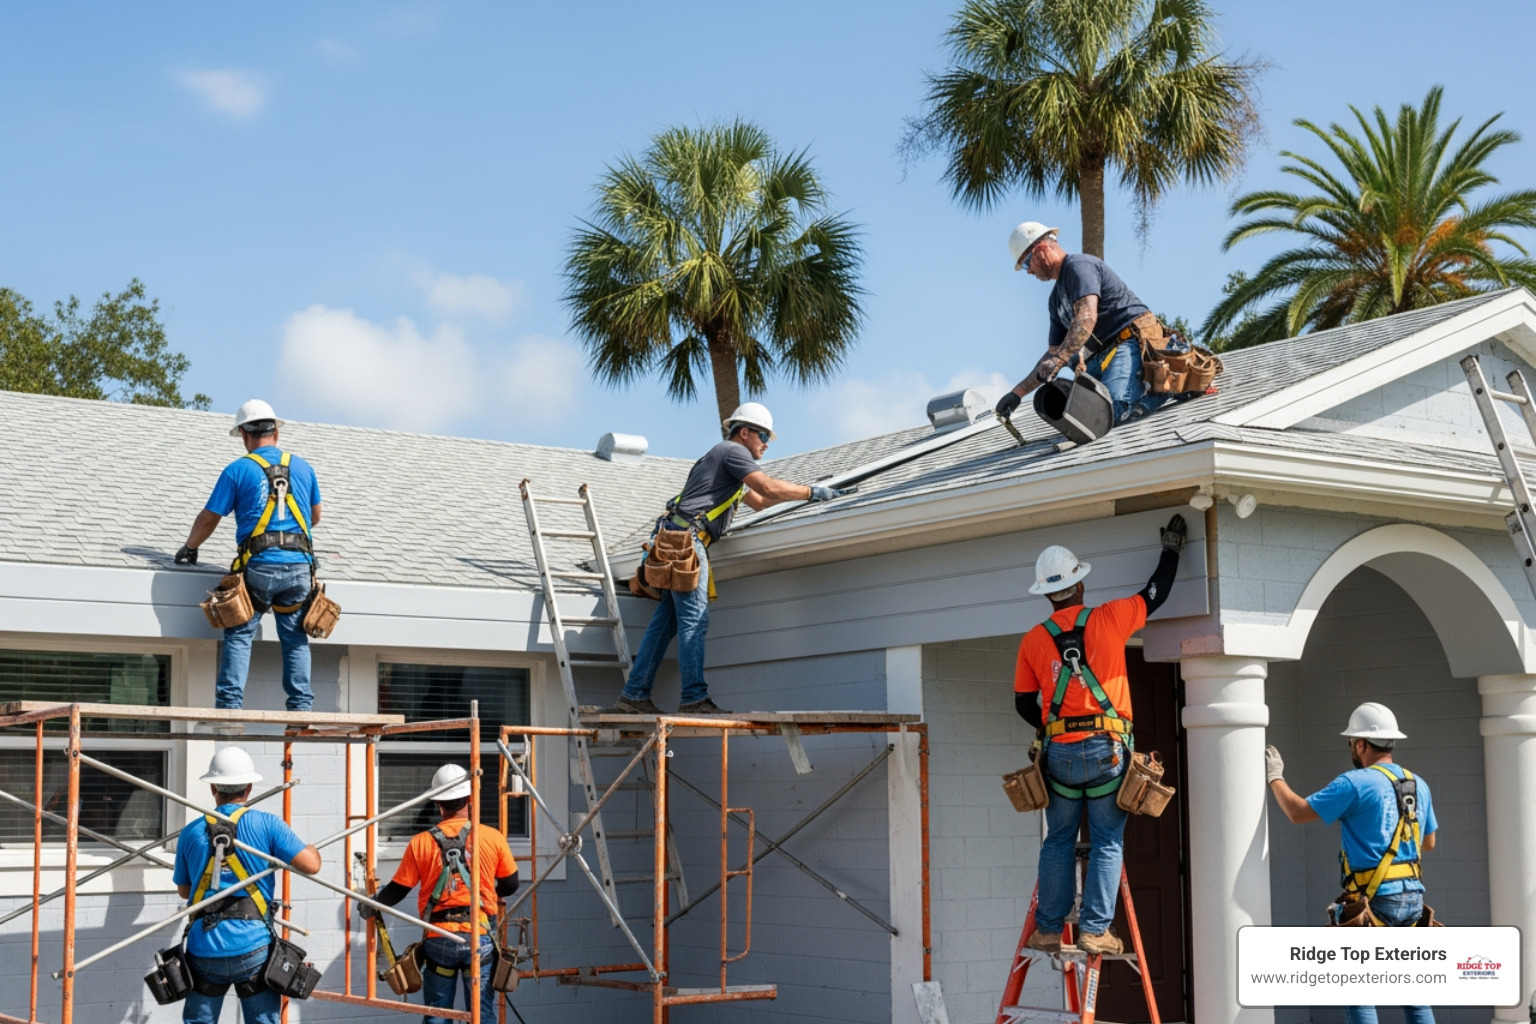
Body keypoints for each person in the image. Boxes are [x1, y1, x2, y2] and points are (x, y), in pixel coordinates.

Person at [1012, 514, 1187, 955]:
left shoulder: (1033, 640)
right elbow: (1156, 593)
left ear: (1048, 595)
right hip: (1107, 750)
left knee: (1059, 839)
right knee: (1107, 839)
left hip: (1060, 756)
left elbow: (1022, 704)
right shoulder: (1110, 618)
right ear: (1080, 586)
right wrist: (1171, 549)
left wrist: (1052, 729)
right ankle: (1093, 930)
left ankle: (1050, 928)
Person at [612, 402, 848, 715]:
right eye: (763, 435)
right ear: (745, 432)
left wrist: (813, 493)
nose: (766, 443)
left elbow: (761, 501)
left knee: (666, 622)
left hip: (674, 542)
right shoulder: (733, 452)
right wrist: (812, 492)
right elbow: (766, 485)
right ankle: (694, 699)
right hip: (688, 544)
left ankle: (634, 695)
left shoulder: (724, 467)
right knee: (695, 620)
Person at [1266, 703, 1438, 1024]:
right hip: (1413, 901)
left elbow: (1297, 812)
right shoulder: (1418, 784)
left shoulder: (1355, 782)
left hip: (1374, 900)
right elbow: (1427, 842)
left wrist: (1275, 777)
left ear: (1360, 744)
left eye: (1351, 743)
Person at [176, 399, 323, 713]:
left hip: (260, 565)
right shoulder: (303, 467)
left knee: (240, 633)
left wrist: (190, 547)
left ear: (244, 434)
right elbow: (315, 517)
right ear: (276, 434)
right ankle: (301, 711)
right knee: (295, 637)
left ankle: (230, 709)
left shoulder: (238, 470)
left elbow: (209, 518)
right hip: (300, 567)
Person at [172, 747, 321, 1024]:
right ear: (250, 787)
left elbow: (185, 891)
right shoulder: (267, 825)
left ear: (213, 787)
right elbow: (312, 865)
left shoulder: (190, 833)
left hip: (204, 951)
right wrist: (309, 847)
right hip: (253, 949)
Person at [363, 764, 519, 1024]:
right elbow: (510, 885)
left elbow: (398, 889)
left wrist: (373, 903)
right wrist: (488, 892)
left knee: (438, 1014)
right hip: (478, 938)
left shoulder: (421, 843)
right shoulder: (492, 837)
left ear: (438, 803)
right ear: (469, 800)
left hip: (439, 940)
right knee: (482, 1014)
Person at [994, 222, 1171, 427]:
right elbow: (1053, 354)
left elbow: (1086, 317)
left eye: (1026, 264)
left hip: (1132, 341)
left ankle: (1170, 388)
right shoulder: (1055, 300)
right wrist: (1017, 393)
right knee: (1088, 417)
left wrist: (1060, 358)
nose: (1028, 272)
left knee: (1109, 412)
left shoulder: (1079, 266)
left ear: (1040, 251)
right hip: (1106, 354)